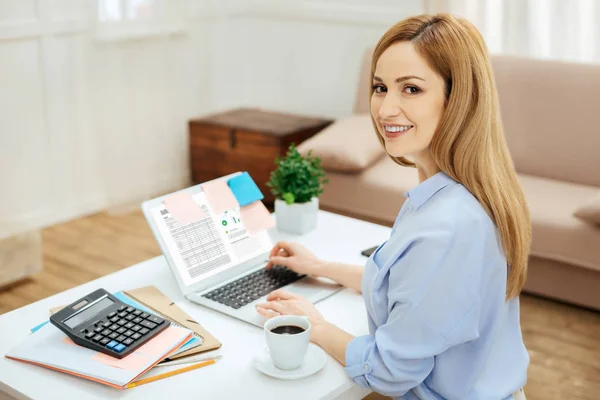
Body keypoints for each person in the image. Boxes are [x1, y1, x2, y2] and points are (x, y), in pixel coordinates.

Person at [256, 13, 531, 400]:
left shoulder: (448, 228)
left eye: (412, 89)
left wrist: (314, 325)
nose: (385, 109)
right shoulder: (451, 193)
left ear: (457, 101)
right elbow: (409, 286)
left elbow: (390, 370)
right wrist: (319, 268)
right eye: (380, 87)